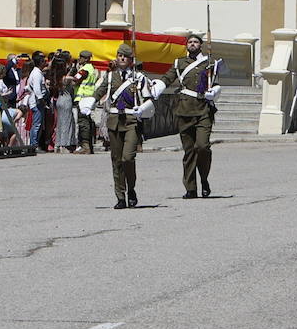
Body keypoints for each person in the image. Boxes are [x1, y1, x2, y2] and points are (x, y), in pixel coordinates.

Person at [93, 44, 157, 208]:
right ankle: (120, 196)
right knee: (116, 160)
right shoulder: (109, 77)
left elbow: (149, 98)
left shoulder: (139, 78)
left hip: (131, 120)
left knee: (128, 157)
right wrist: (91, 101)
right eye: (119, 55)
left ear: (130, 60)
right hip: (114, 119)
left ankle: (132, 189)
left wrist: (142, 108)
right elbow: (99, 92)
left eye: (125, 56)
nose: (121, 58)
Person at [163, 32, 221, 198]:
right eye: (190, 42)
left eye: (196, 42)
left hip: (203, 110)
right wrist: (158, 85)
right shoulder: (179, 63)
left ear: (200, 45)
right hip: (184, 110)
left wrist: (214, 91)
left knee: (202, 147)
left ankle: (204, 179)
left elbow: (216, 82)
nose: (193, 44)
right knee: (189, 152)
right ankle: (191, 188)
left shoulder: (209, 63)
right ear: (186, 45)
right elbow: (168, 77)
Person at [74, 50, 100, 154]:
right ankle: (89, 145)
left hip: (83, 99)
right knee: (88, 122)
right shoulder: (92, 69)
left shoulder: (85, 70)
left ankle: (85, 146)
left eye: (81, 57)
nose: (79, 59)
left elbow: (76, 80)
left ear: (85, 59)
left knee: (83, 122)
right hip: (89, 99)